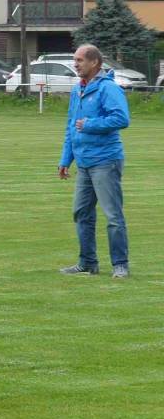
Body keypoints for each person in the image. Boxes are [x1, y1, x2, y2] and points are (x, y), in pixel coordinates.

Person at [58, 44, 130, 278]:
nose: (75, 64)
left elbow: (121, 118)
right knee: (81, 213)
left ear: (95, 63)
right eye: (75, 59)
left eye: (80, 60)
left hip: (105, 160)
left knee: (113, 216)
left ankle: (120, 265)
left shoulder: (108, 88)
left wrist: (90, 124)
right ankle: (88, 263)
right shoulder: (77, 90)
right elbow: (71, 126)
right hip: (84, 162)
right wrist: (66, 159)